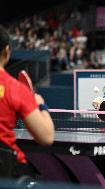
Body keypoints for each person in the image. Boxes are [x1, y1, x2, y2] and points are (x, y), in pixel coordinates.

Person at [0, 25, 54, 178]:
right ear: (6, 51)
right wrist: (40, 104)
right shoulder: (14, 89)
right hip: (7, 173)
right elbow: (46, 137)